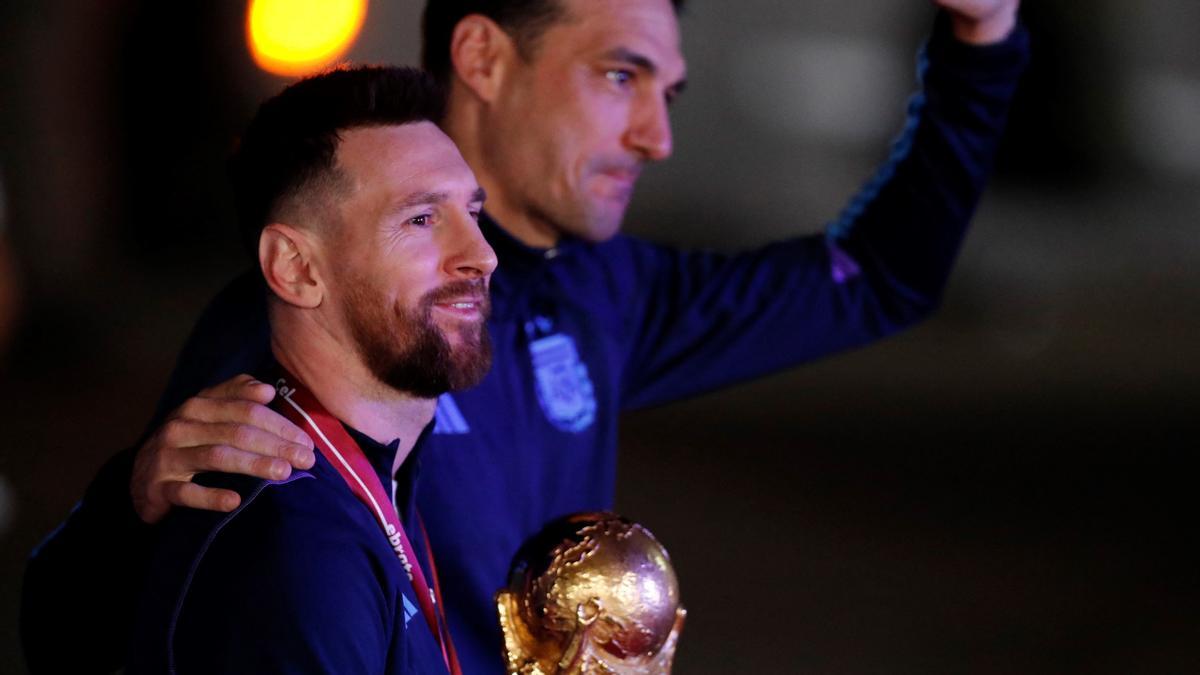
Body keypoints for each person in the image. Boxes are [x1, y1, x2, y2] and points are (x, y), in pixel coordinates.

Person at [22, 1, 1030, 673]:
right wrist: (128, 506)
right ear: (484, 57)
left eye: (665, 92)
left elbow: (881, 279)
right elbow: (83, 631)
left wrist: (983, 41)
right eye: (619, 76)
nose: (655, 135)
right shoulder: (313, 314)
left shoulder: (604, 287)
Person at [128, 64, 495, 673]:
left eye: (473, 214)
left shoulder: (372, 477)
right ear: (296, 268)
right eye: (421, 220)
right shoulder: (295, 549)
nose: (482, 256)